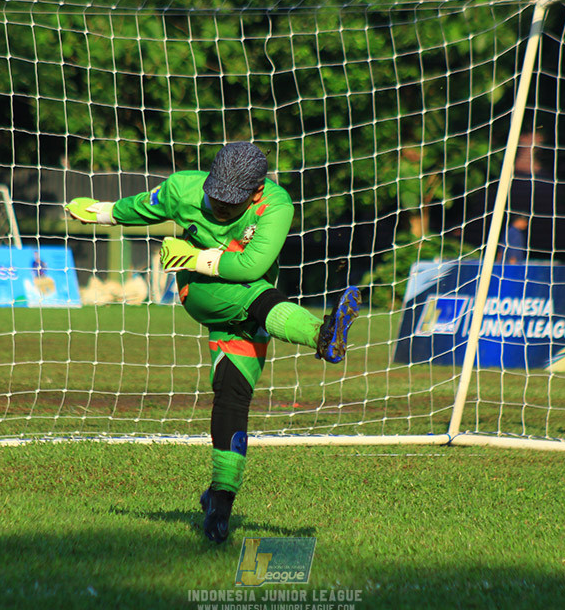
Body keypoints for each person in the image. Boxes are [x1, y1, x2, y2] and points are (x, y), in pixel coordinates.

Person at [66, 142, 361, 543]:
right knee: (257, 298)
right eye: (215, 196)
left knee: (233, 398)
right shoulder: (182, 189)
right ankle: (320, 335)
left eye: (231, 201)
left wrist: (193, 257)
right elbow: (140, 208)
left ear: (256, 192)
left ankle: (219, 504)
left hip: (251, 307)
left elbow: (251, 266)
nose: (220, 206)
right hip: (205, 295)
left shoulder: (276, 205)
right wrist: (100, 211)